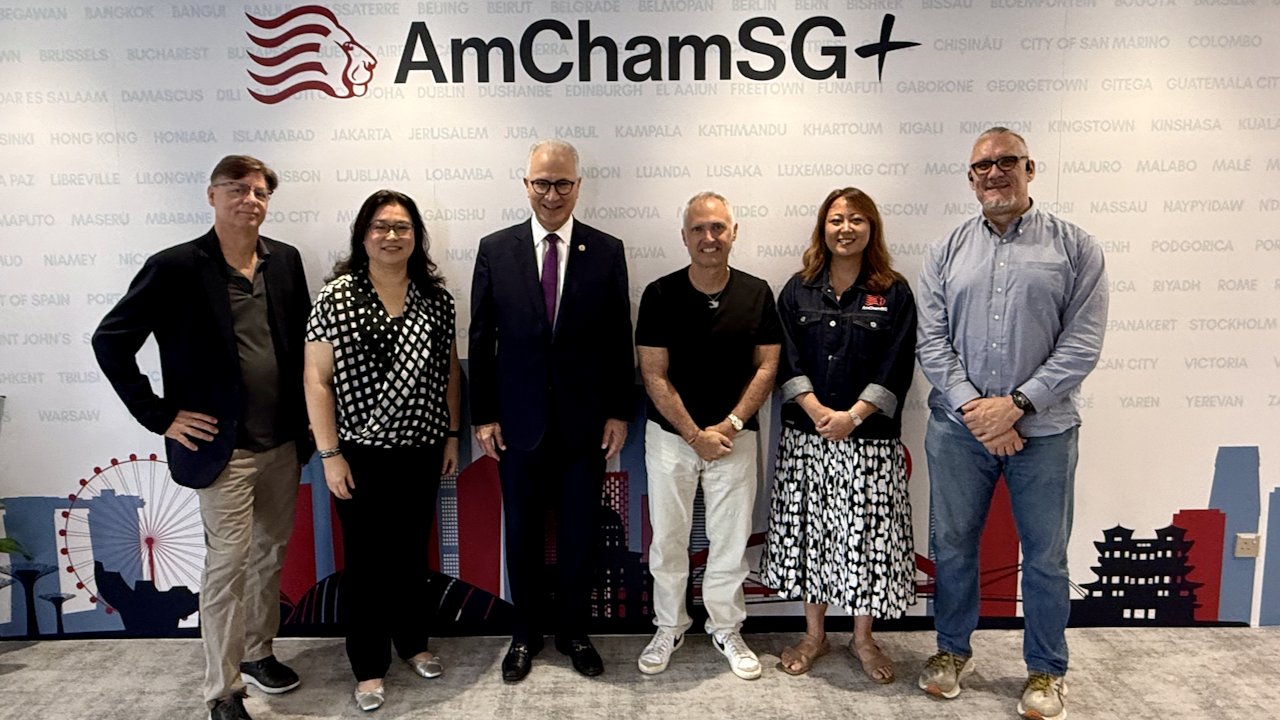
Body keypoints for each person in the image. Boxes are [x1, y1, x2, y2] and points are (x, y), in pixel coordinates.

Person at [93, 155, 312, 720]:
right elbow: (110, 341)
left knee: (269, 556)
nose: (250, 199)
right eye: (237, 189)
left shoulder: (284, 261)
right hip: (222, 451)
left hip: (283, 444)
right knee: (227, 566)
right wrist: (159, 415)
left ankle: (260, 653)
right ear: (211, 195)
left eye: (261, 191)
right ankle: (223, 689)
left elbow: (301, 346)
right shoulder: (175, 267)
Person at [916, 128, 1108, 720]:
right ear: (970, 178)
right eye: (982, 166)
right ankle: (951, 653)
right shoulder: (946, 250)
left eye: (1006, 163)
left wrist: (1017, 405)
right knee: (952, 549)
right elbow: (932, 341)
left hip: (1045, 433)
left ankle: (1046, 670)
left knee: (1046, 556)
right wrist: (980, 409)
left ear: (1030, 168)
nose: (994, 173)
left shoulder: (1075, 247)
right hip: (958, 431)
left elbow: (1082, 343)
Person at [468, 138, 634, 682]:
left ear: (578, 186)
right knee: (521, 536)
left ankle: (574, 632)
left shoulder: (607, 250)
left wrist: (617, 411)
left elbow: (617, 338)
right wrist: (483, 416)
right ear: (526, 185)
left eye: (563, 183)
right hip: (517, 427)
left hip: (585, 425)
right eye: (542, 182)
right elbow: (482, 336)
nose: (552, 193)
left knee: (580, 539)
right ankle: (523, 635)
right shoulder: (496, 249)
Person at [302, 190, 462, 711]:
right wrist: (330, 454)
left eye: (402, 227)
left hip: (421, 450)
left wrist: (452, 434)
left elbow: (449, 373)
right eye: (380, 226)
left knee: (413, 557)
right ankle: (369, 667)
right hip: (358, 456)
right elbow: (317, 380)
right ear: (363, 235)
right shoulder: (336, 298)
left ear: (416, 236)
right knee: (367, 565)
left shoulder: (436, 299)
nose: (391, 236)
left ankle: (413, 643)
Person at [759, 187, 918, 683]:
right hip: (808, 439)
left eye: (855, 219)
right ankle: (814, 634)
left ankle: (863, 638)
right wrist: (814, 407)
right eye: (835, 219)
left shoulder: (894, 291)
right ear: (822, 229)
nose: (844, 228)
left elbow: (898, 362)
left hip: (869, 442)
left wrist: (853, 415)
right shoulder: (798, 289)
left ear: (872, 228)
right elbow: (785, 356)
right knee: (812, 536)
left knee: (866, 539)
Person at [635, 191, 781, 680]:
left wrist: (729, 425)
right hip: (672, 439)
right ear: (684, 237)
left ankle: (725, 627)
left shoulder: (758, 293)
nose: (709, 237)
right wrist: (695, 433)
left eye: (718, 227)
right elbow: (654, 374)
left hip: (735, 439)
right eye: (698, 228)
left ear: (734, 233)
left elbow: (768, 365)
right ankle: (669, 626)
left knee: (729, 541)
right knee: (669, 541)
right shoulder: (659, 294)